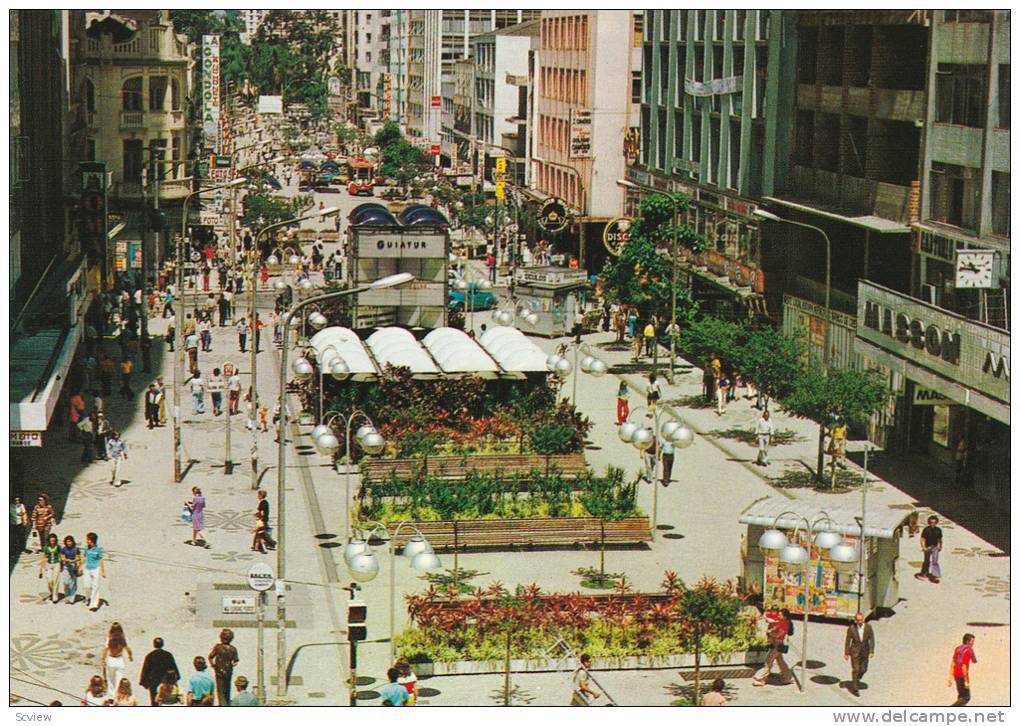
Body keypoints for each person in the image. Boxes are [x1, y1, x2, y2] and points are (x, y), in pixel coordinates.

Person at [753, 607, 794, 686]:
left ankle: (762, 679)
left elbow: (778, 634)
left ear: (785, 616)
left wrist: (770, 633)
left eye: (780, 615)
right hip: (776, 644)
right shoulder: (781, 621)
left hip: (777, 644)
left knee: (768, 661)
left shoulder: (785, 624)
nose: (778, 616)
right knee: (780, 661)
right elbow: (768, 618)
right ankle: (787, 678)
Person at [843, 611, 875, 697]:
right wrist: (846, 653)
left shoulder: (868, 627)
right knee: (856, 669)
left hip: (865, 650)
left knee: (863, 669)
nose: (860, 622)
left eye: (861, 620)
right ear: (855, 620)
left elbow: (871, 639)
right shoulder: (851, 628)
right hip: (855, 651)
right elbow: (847, 641)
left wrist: (871, 651)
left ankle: (857, 677)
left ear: (863, 619)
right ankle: (855, 687)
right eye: (858, 620)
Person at [140, 638, 179, 706]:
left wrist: (145, 683)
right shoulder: (168, 655)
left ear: (154, 645)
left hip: (154, 684)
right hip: (167, 683)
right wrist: (175, 680)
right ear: (162, 644)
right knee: (167, 702)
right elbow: (174, 668)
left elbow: (145, 670)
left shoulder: (150, 656)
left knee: (155, 703)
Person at [208, 629, 239, 706]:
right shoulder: (231, 648)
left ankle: (224, 704)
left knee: (222, 690)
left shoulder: (222, 647)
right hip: (224, 671)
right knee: (225, 690)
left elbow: (210, 657)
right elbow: (236, 661)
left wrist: (213, 665)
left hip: (222, 671)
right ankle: (225, 704)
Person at [102, 622, 133, 699]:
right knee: (119, 679)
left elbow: (105, 650)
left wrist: (103, 659)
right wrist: (130, 656)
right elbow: (128, 649)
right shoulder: (123, 639)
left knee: (110, 680)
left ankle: (111, 697)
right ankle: (117, 696)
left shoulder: (109, 639)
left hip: (111, 659)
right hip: (119, 660)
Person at [949, 634, 977, 706]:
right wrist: (966, 681)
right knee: (966, 697)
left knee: (961, 695)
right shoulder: (968, 650)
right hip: (962, 675)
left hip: (956, 674)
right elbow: (964, 666)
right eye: (972, 641)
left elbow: (953, 662)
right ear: (967, 641)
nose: (973, 643)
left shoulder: (957, 648)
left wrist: (950, 677)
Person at [82, 532, 106, 611]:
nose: (87, 541)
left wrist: (103, 571)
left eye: (88, 539)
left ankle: (94, 605)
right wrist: (80, 566)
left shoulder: (98, 550)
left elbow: (101, 560)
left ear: (92, 540)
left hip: (95, 569)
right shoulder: (86, 548)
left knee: (95, 586)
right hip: (87, 568)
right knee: (87, 586)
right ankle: (88, 598)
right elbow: (84, 557)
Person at [916, 515, 943, 584]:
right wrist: (923, 547)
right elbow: (922, 539)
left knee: (935, 561)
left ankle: (935, 575)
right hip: (927, 547)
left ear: (936, 523)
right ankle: (924, 573)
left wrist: (940, 546)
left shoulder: (938, 530)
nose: (932, 524)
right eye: (931, 522)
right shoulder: (926, 529)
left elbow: (940, 539)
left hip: (935, 547)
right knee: (926, 561)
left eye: (934, 522)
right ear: (929, 522)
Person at [39, 532, 61, 603]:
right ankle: (52, 592)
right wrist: (40, 570)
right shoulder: (45, 548)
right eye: (51, 541)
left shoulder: (58, 547)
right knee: (49, 580)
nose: (52, 542)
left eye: (53, 541)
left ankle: (55, 595)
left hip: (56, 564)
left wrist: (62, 565)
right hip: (48, 564)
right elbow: (43, 558)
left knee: (55, 580)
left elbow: (61, 556)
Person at [59, 535, 82, 605]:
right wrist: (66, 560)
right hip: (66, 566)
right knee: (66, 582)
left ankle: (72, 597)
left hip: (73, 566)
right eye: (67, 541)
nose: (69, 543)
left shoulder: (76, 549)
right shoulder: (64, 549)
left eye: (70, 541)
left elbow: (78, 558)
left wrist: (74, 561)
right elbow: (62, 558)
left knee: (73, 583)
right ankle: (67, 595)